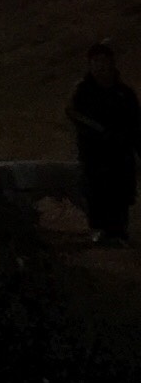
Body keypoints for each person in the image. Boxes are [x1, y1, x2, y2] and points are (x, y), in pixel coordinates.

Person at [68, 41, 140, 246]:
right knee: (97, 193)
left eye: (104, 61)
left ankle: (119, 233)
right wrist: (100, 136)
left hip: (121, 154)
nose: (100, 66)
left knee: (121, 192)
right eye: (95, 61)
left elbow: (135, 125)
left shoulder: (125, 94)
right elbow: (76, 116)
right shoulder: (82, 92)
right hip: (95, 155)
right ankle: (100, 231)